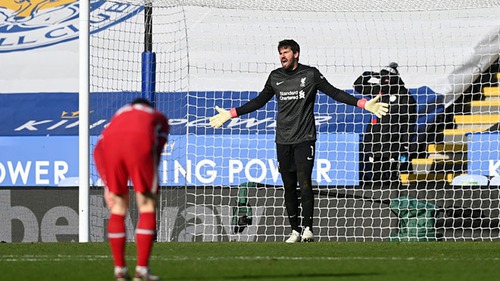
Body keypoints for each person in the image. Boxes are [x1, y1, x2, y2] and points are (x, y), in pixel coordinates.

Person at [209, 39, 388, 243]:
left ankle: (308, 228)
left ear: (296, 54)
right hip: (283, 140)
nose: (282, 56)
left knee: (304, 183)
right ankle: (294, 230)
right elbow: (259, 101)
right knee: (288, 187)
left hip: (305, 138)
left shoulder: (310, 74)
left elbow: (334, 92)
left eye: (285, 52)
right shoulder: (275, 77)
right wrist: (231, 113)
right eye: (280, 53)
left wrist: (363, 103)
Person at [94, 98, 169, 281]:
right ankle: (141, 271)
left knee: (118, 206)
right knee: (147, 204)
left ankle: (119, 270)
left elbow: (98, 149)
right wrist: (152, 181)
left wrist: (106, 186)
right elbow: (156, 150)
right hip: (139, 143)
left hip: (108, 147)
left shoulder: (120, 114)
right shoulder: (158, 117)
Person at [353, 62, 417, 187]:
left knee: (392, 174)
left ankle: (394, 197)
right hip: (376, 140)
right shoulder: (379, 92)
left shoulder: (405, 97)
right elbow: (358, 85)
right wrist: (369, 74)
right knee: (376, 174)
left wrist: (405, 143)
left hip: (393, 142)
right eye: (382, 78)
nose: (385, 81)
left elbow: (408, 123)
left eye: (388, 78)